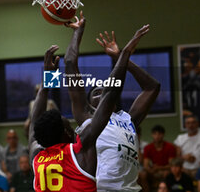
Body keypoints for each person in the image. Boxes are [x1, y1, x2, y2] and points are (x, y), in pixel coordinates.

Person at [30, 26, 137, 192]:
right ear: (66, 134)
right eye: (70, 127)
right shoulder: (79, 151)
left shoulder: (37, 157)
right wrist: (123, 55)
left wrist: (47, 83)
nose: (75, 130)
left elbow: (34, 124)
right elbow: (109, 96)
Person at [66, 12, 160, 191]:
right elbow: (70, 63)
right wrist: (78, 32)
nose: (102, 92)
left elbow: (152, 87)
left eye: (105, 90)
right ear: (89, 104)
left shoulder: (128, 119)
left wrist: (120, 58)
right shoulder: (86, 117)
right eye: (96, 92)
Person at [141, 125, 176, 191]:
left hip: (165, 169)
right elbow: (146, 165)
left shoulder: (170, 147)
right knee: (143, 174)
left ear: (163, 135)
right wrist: (151, 170)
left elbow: (172, 164)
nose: (157, 136)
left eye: (159, 134)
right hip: (154, 170)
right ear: (152, 135)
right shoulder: (148, 147)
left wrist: (159, 168)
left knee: (167, 173)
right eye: (155, 134)